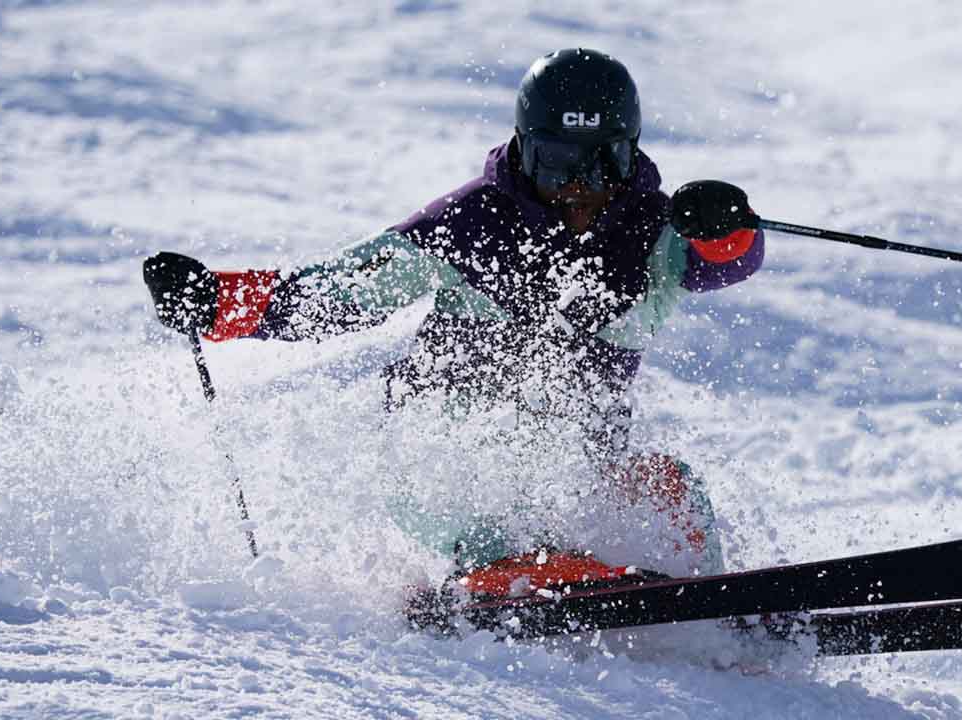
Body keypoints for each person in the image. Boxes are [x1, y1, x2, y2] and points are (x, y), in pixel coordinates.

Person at [144, 48, 764, 587]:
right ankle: (498, 568)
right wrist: (216, 301)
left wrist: (726, 226)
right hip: (445, 469)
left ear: (632, 156)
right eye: (556, 163)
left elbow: (728, 262)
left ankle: (715, 622)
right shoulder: (468, 225)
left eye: (602, 165)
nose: (579, 186)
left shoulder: (656, 231)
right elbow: (334, 294)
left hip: (581, 469)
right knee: (492, 491)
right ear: (524, 148)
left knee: (672, 490)